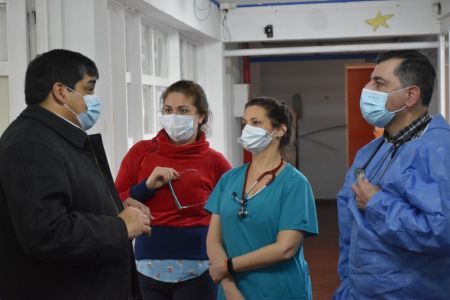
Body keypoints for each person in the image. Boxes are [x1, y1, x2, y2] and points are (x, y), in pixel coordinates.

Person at [0, 49, 151, 300]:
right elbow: (46, 232)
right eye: (89, 89)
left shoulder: (56, 138)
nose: (93, 99)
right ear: (60, 92)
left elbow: (67, 200)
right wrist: (119, 227)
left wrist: (115, 207)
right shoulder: (30, 145)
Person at [334, 50, 450, 299]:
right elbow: (349, 226)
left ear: (410, 95)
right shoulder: (371, 152)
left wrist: (378, 204)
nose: (367, 88)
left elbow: (443, 232)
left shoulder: (439, 150)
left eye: (379, 82)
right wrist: (348, 283)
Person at [115, 80, 231, 300]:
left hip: (200, 268)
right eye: (168, 110)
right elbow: (112, 202)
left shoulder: (216, 162)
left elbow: (229, 214)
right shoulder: (140, 153)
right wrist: (145, 187)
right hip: (146, 267)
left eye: (183, 110)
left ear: (201, 116)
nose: (174, 116)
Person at [205, 97, 319, 300]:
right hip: (233, 292)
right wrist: (230, 289)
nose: (247, 129)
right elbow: (214, 240)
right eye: (245, 123)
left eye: (256, 123)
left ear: (280, 130)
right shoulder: (229, 179)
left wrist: (228, 266)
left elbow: (285, 248)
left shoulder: (294, 184)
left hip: (280, 291)